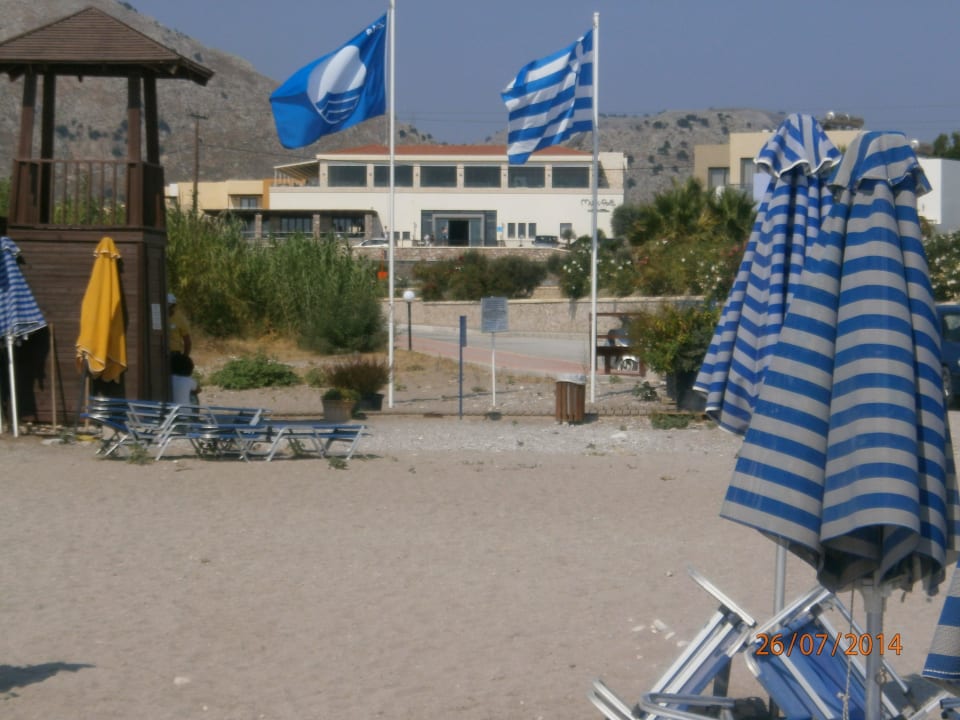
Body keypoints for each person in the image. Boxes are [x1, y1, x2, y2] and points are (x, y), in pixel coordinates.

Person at [167, 292, 192, 358]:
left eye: (171, 305)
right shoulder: (158, 317)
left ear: (173, 305)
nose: (170, 307)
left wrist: (185, 358)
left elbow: (187, 341)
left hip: (174, 354)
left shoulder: (180, 319)